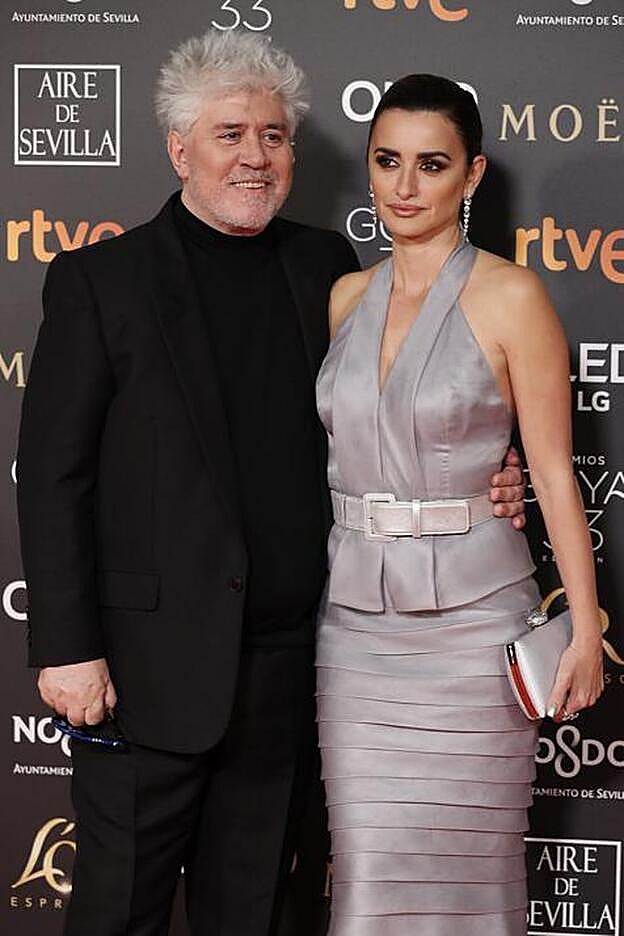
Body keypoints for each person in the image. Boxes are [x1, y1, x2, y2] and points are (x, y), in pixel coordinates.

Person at [16, 32, 527, 936]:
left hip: (290, 671)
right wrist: (66, 649)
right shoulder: (103, 281)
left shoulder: (325, 269)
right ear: (180, 150)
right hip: (144, 673)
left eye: (274, 135)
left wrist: (492, 471)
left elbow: (390, 417)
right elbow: (54, 475)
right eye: (230, 135)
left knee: (255, 915)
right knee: (116, 909)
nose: (255, 156)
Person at [315, 74, 604, 936]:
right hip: (355, 633)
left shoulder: (513, 296)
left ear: (472, 174)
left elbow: (553, 473)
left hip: (477, 629)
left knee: (472, 881)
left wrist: (585, 632)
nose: (404, 187)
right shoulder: (345, 299)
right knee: (367, 876)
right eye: (387, 162)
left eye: (431, 164)